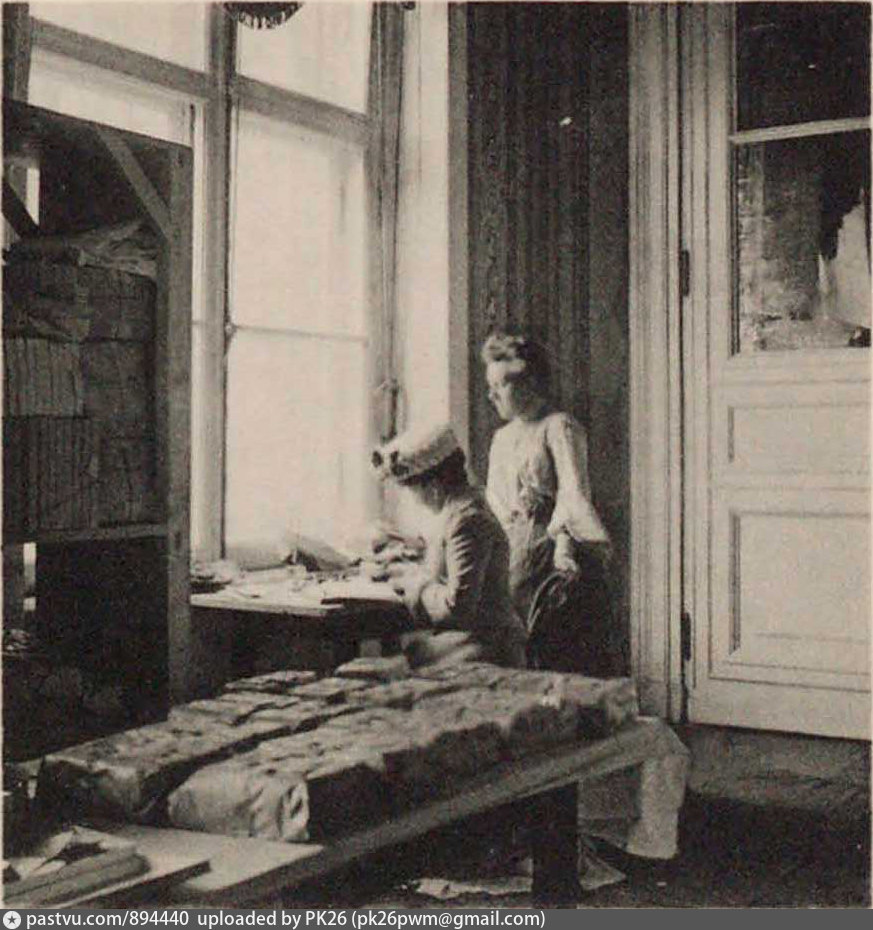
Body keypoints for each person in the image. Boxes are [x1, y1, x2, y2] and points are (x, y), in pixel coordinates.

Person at [481, 329, 618, 676]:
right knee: (514, 651)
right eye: (490, 385)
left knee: (557, 649)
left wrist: (564, 552)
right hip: (513, 556)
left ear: (530, 383)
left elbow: (574, 494)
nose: (491, 394)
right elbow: (495, 502)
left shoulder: (559, 427)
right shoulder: (501, 439)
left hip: (554, 554)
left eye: (501, 385)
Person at [372, 424, 527, 669]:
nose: (416, 500)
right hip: (473, 638)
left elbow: (457, 609)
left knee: (399, 664)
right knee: (403, 659)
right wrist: (409, 571)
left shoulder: (467, 520)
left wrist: (414, 585)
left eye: (414, 491)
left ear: (434, 487)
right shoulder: (458, 510)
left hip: (489, 645)